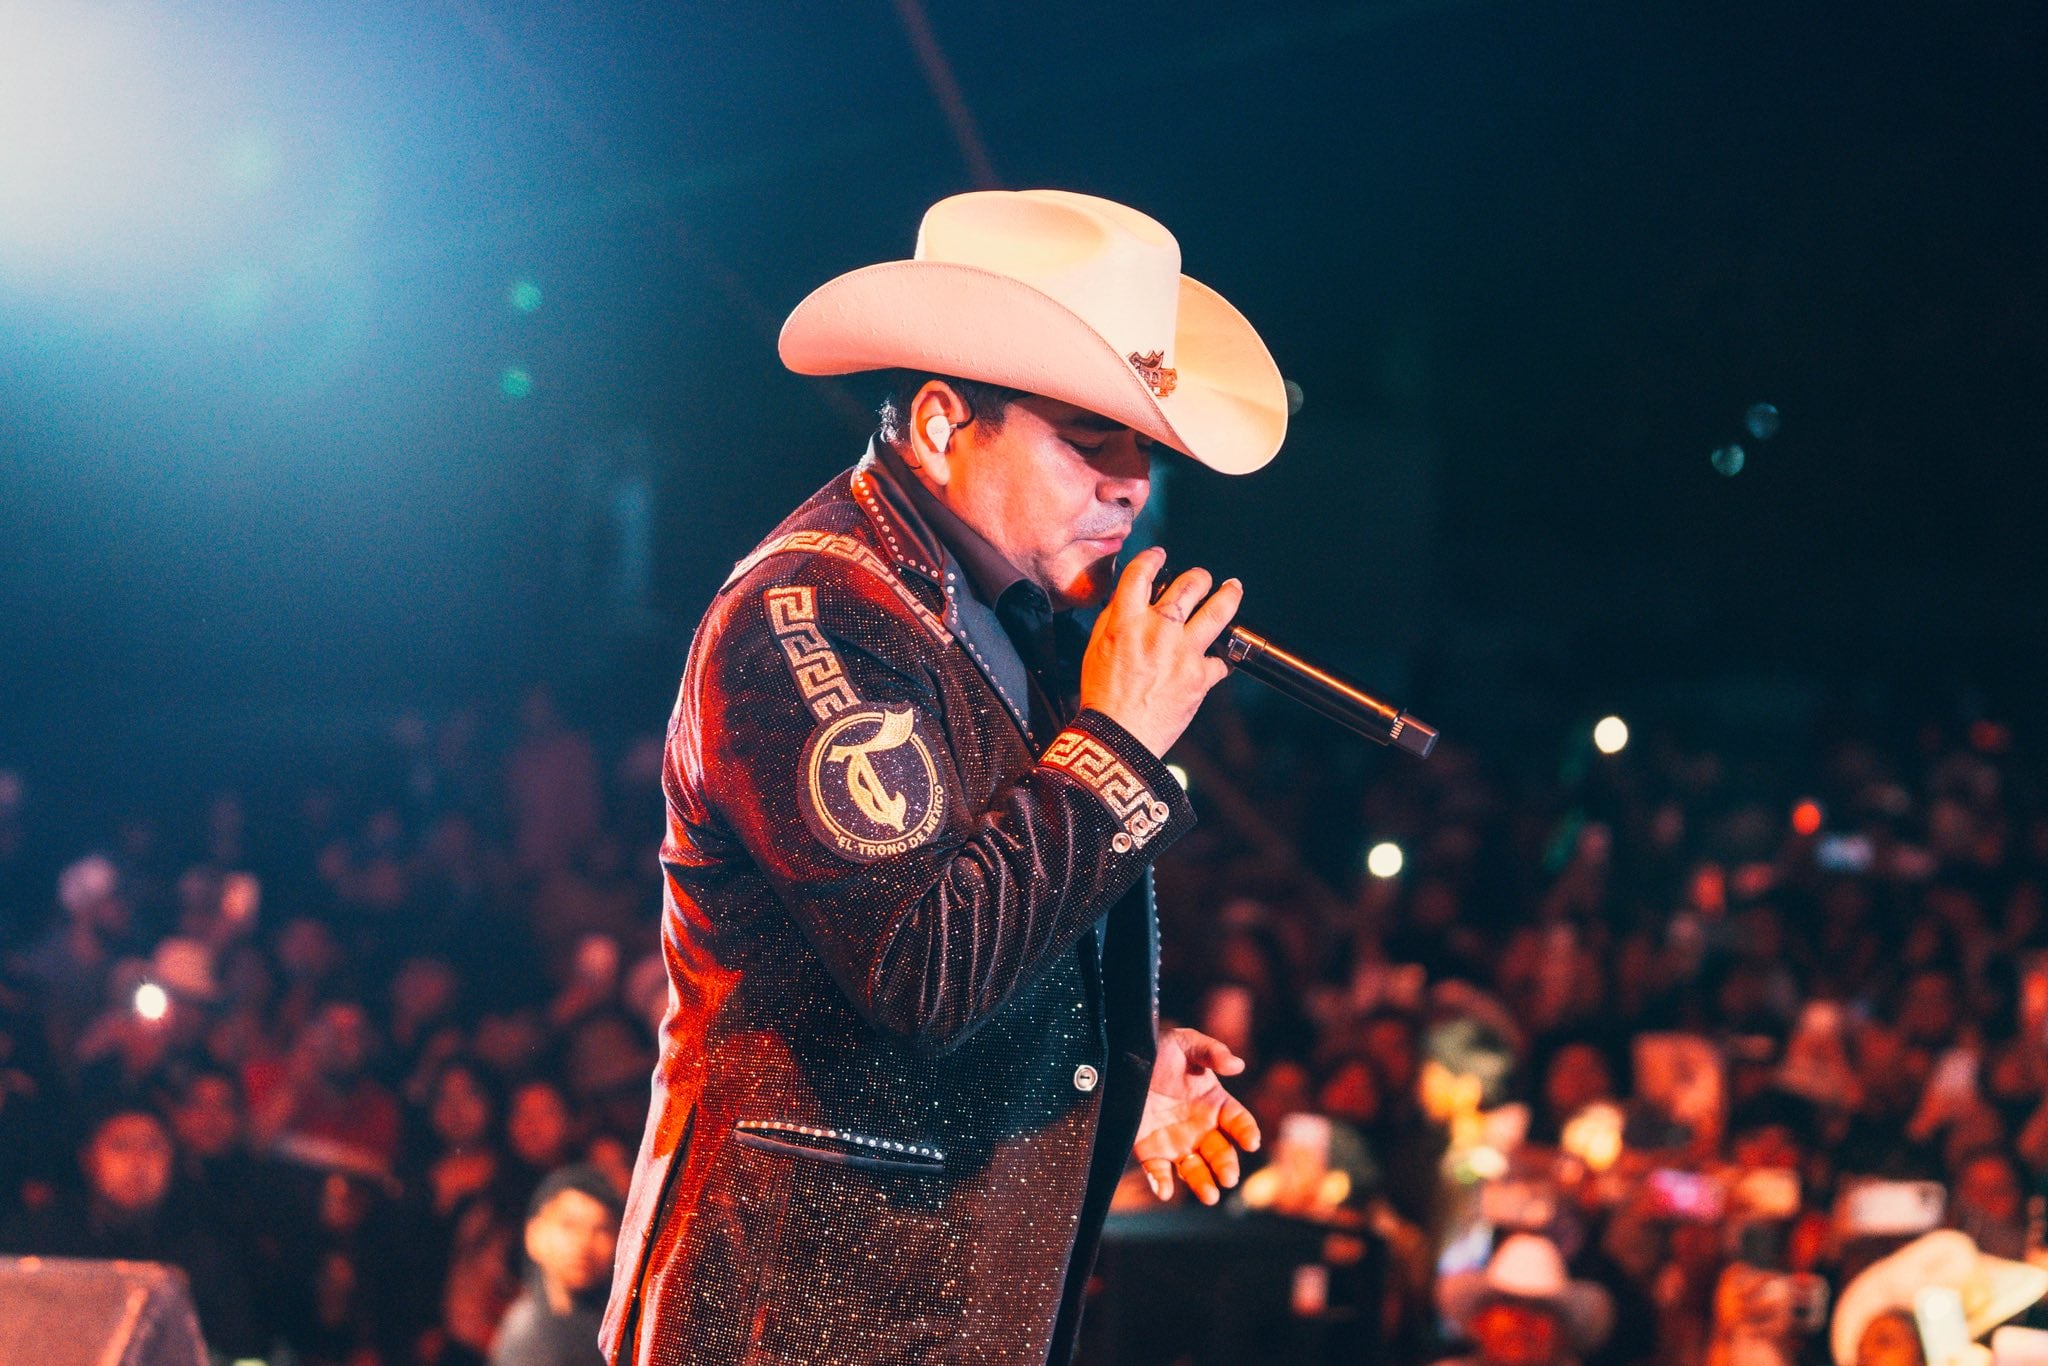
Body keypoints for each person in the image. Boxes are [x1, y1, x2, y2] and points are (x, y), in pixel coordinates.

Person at [602, 189, 1290, 1364]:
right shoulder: (810, 608)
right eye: (1089, 437)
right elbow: (923, 966)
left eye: (1144, 446)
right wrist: (1118, 739)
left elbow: (975, 922)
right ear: (938, 423)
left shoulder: (1002, 618)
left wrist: (1098, 1066)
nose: (1131, 482)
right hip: (784, 1328)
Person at [493, 1165, 621, 1366]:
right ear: (534, 1234)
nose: (584, 1242)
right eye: (569, 1225)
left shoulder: (619, 1330)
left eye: (601, 1229)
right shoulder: (529, 1334)